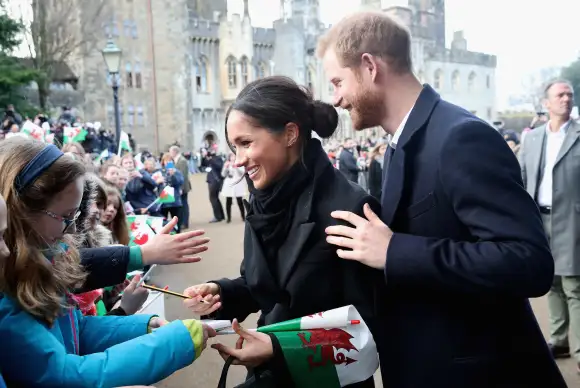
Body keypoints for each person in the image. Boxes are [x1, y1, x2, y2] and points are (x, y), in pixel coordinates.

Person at [317, 11, 565, 388]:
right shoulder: (399, 145)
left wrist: (394, 251)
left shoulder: (460, 138)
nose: (335, 99)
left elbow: (528, 262)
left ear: (369, 67)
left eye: (337, 81)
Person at [183, 76, 381, 387]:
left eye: (246, 143)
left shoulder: (350, 208)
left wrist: (279, 349)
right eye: (234, 147)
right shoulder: (263, 197)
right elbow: (260, 284)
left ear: (290, 134)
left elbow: (366, 331)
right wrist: (220, 292)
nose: (236, 161)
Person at [0, 138, 216, 387]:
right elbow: (65, 376)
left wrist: (142, 327)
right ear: (21, 210)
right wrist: (172, 343)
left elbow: (77, 330)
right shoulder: (7, 294)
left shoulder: (41, 263)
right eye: (64, 216)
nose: (70, 228)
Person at [519, 80, 580, 368]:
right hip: (538, 218)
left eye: (569, 94)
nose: (566, 99)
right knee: (552, 281)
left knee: (574, 285)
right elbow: (519, 177)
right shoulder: (532, 139)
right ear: (546, 103)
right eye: (560, 95)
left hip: (572, 219)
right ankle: (560, 340)